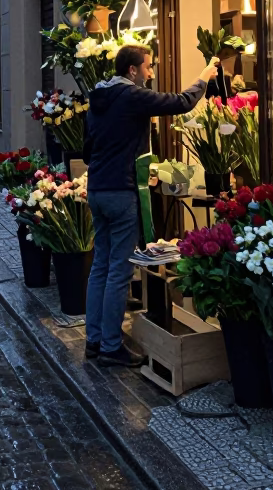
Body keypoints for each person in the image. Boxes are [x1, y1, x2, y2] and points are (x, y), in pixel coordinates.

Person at [83, 44, 221, 366]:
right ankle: (111, 347)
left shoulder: (97, 100)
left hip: (98, 190)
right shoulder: (131, 96)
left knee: (100, 267)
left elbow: (88, 151)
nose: (151, 73)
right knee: (119, 271)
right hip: (121, 193)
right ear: (132, 70)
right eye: (148, 67)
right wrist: (202, 78)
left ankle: (94, 340)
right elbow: (181, 103)